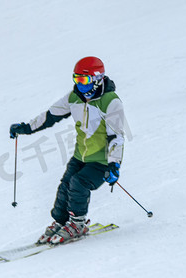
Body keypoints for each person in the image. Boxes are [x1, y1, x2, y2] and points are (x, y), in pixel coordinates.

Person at [9, 56, 127, 244]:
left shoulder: (110, 101)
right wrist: (25, 128)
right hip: (81, 156)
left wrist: (114, 165)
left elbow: (117, 136)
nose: (80, 85)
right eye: (77, 79)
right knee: (65, 186)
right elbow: (49, 116)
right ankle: (62, 221)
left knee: (79, 183)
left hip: (102, 160)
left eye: (84, 80)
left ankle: (78, 223)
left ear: (97, 79)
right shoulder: (74, 98)